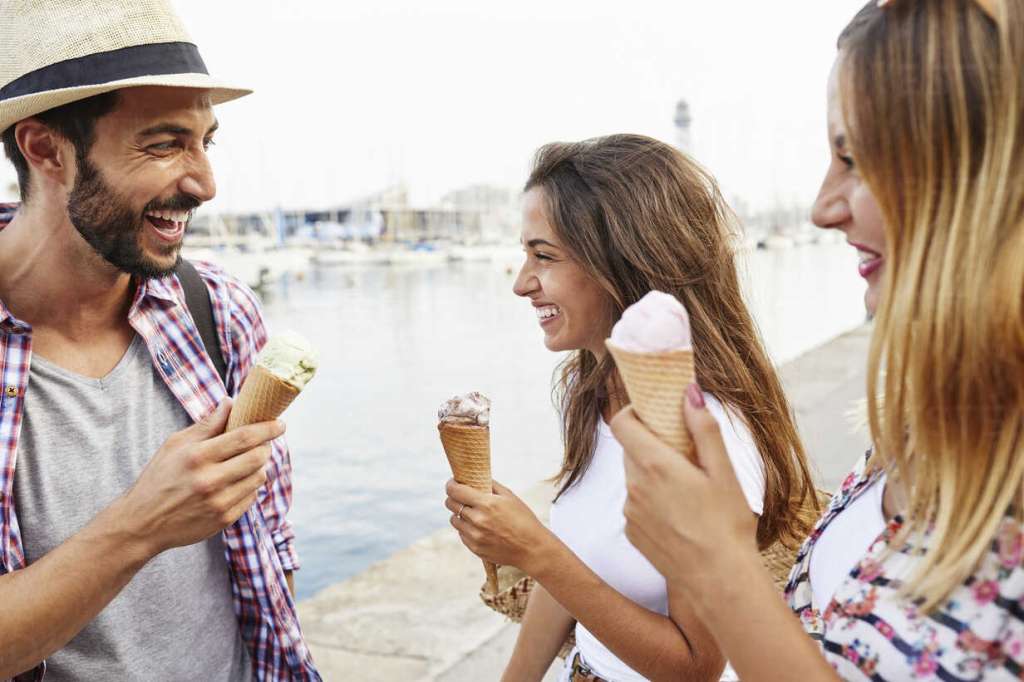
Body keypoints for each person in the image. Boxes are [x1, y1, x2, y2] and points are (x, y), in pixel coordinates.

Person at [611, 0, 1024, 679]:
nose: (822, 207)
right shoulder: (919, 424)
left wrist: (719, 568)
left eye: (854, 158)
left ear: (990, 174)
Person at [0, 1, 319, 679]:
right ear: (44, 149)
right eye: (165, 143)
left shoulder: (220, 312)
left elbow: (271, 547)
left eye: (208, 140)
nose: (205, 182)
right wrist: (140, 526)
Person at [444, 134, 819, 681]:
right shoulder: (595, 390)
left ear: (623, 260)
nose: (522, 283)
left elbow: (698, 667)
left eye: (543, 255)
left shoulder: (707, 432)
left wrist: (535, 550)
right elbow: (576, 572)